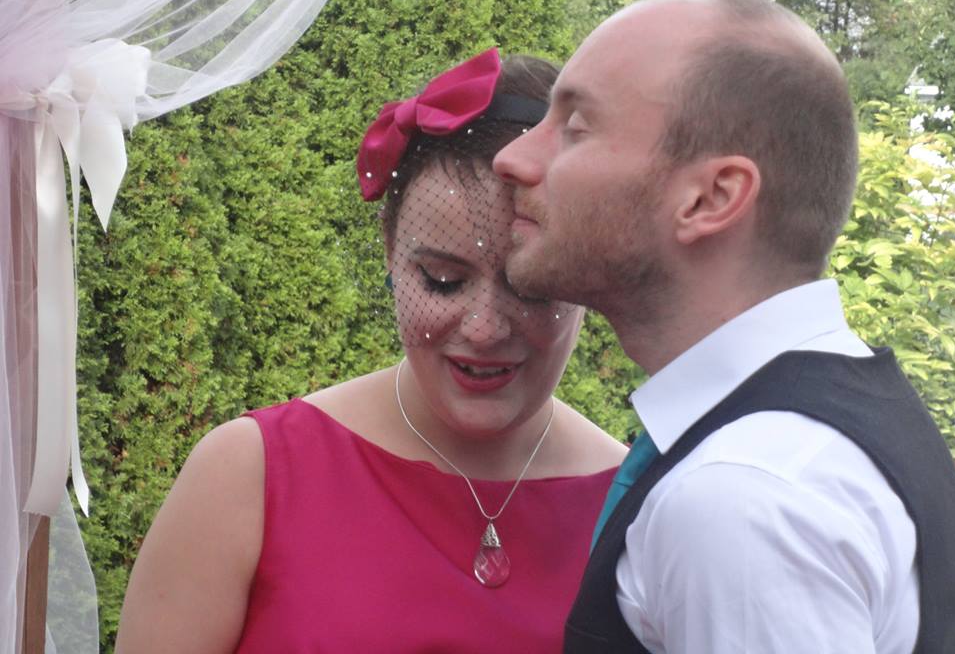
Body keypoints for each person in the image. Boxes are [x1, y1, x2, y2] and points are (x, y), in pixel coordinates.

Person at [114, 48, 625, 653]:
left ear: (586, 274)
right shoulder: (250, 473)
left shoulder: (638, 512)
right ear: (389, 251)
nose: (485, 328)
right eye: (442, 280)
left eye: (530, 287)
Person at [493, 0, 955, 653]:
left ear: (710, 199)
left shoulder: (742, 498)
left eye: (575, 127)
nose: (511, 159)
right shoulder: (833, 418)